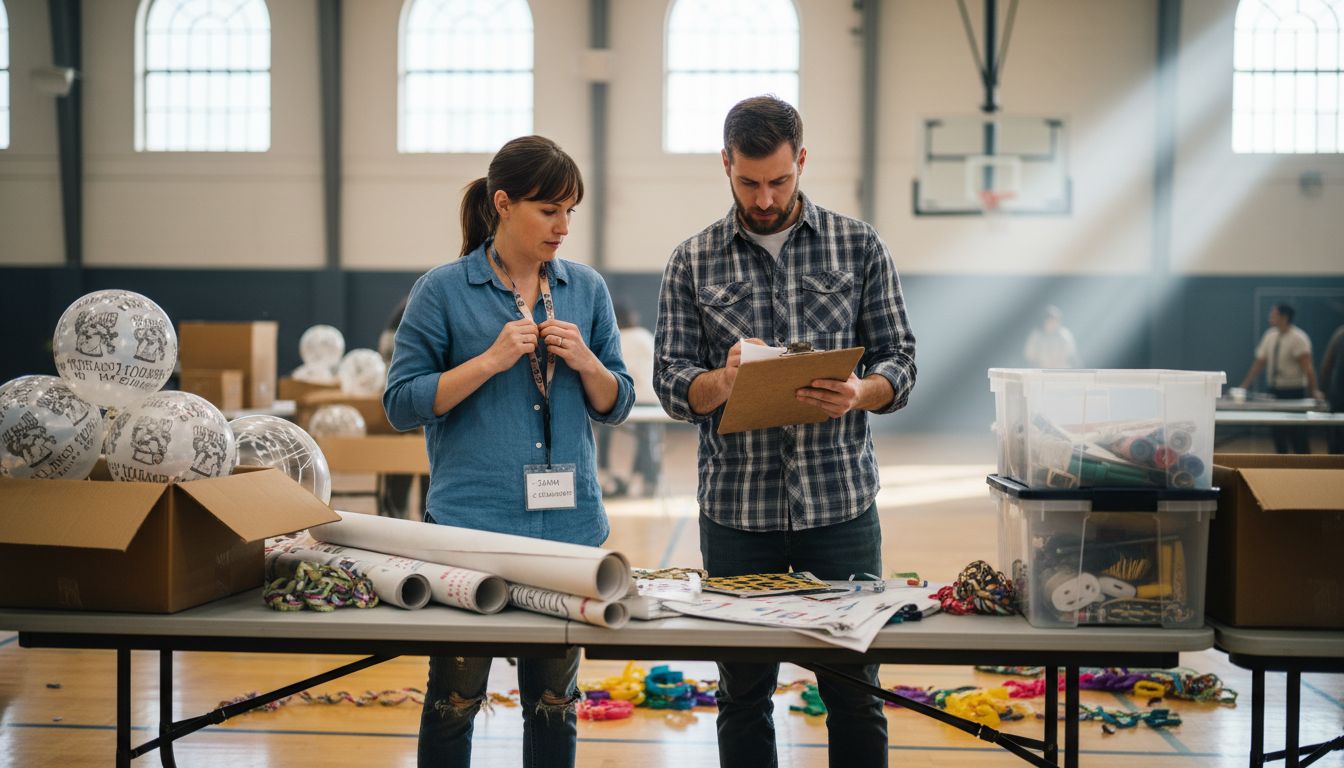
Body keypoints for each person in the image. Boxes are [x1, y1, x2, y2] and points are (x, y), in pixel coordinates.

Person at [654, 95, 917, 768]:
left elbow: (902, 361)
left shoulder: (859, 245)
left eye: (778, 179)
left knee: (854, 690)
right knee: (743, 693)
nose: (765, 196)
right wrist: (722, 380)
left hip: (841, 509)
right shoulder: (691, 260)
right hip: (739, 516)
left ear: (801, 161)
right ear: (725, 164)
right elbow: (671, 382)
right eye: (748, 181)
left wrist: (860, 391)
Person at [383, 135, 634, 768]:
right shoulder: (442, 290)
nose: (563, 226)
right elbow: (401, 404)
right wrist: (490, 362)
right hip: (471, 535)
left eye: (571, 211)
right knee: (453, 707)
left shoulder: (587, 289)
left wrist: (587, 364)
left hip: (569, 536)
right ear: (503, 203)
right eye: (549, 210)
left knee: (555, 708)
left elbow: (619, 400)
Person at [1238, 303, 1325, 453]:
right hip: (1274, 391)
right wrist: (1243, 387)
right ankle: (1282, 465)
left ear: (1284, 317)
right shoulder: (1270, 336)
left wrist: (1314, 391)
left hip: (1294, 392)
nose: (1270, 316)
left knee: (1298, 434)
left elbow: (1308, 368)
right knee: (1278, 433)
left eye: (1274, 314)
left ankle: (1304, 467)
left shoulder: (1298, 338)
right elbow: (1258, 364)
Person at [597, 302, 662, 497]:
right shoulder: (644, 335)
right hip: (653, 399)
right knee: (648, 440)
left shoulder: (618, 338)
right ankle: (648, 480)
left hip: (631, 398)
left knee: (607, 431)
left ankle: (609, 475)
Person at [376, 295, 428, 519]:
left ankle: (412, 513)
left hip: (424, 396)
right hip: (410, 395)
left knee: (426, 465)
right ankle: (399, 514)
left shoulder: (411, 305)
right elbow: (389, 358)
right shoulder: (416, 306)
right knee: (402, 463)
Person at [1320, 324, 1344, 454]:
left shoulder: (1340, 334)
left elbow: (1327, 365)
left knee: (1336, 440)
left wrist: (1323, 390)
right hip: (1338, 395)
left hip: (1338, 395)